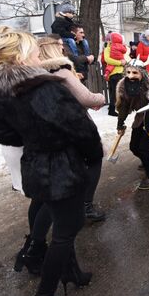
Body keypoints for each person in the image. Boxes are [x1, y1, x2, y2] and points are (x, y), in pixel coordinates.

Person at [0, 26, 101, 296]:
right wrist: (91, 158)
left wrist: (34, 137)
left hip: (36, 168)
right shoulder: (46, 87)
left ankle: (71, 273)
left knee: (63, 223)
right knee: (66, 231)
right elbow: (82, 129)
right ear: (23, 57)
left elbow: (4, 134)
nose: (40, 54)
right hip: (64, 168)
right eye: (35, 51)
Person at [38, 35, 107, 221]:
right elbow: (87, 98)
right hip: (74, 124)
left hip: (51, 127)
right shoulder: (62, 71)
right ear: (53, 48)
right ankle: (85, 207)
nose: (63, 49)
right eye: (60, 46)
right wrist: (100, 98)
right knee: (94, 159)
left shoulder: (37, 72)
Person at [116, 58, 149, 190]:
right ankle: (146, 161)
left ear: (142, 73)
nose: (131, 76)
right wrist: (120, 124)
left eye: (135, 73)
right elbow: (124, 106)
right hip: (140, 119)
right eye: (128, 72)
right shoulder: (124, 86)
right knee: (134, 147)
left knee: (145, 148)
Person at [102, 32, 127, 116]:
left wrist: (123, 62)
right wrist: (120, 62)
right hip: (113, 73)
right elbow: (107, 60)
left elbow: (125, 58)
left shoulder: (120, 48)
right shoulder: (107, 49)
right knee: (114, 93)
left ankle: (117, 108)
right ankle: (112, 110)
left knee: (119, 92)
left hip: (120, 72)